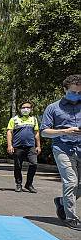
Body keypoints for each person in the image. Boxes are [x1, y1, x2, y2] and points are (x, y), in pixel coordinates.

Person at [41, 74, 81, 230]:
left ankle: (62, 202)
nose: (76, 95)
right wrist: (65, 131)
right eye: (73, 92)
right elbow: (44, 132)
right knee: (71, 181)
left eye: (79, 93)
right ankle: (71, 217)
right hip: (62, 148)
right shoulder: (53, 108)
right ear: (65, 90)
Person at [7, 101, 41, 193]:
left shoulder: (34, 119)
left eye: (28, 107)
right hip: (18, 146)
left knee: (34, 164)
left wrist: (38, 146)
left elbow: (36, 133)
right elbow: (9, 132)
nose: (26, 109)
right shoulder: (14, 119)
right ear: (20, 109)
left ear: (31, 109)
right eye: (24, 107)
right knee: (18, 166)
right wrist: (10, 145)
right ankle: (18, 184)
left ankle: (29, 184)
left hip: (30, 146)